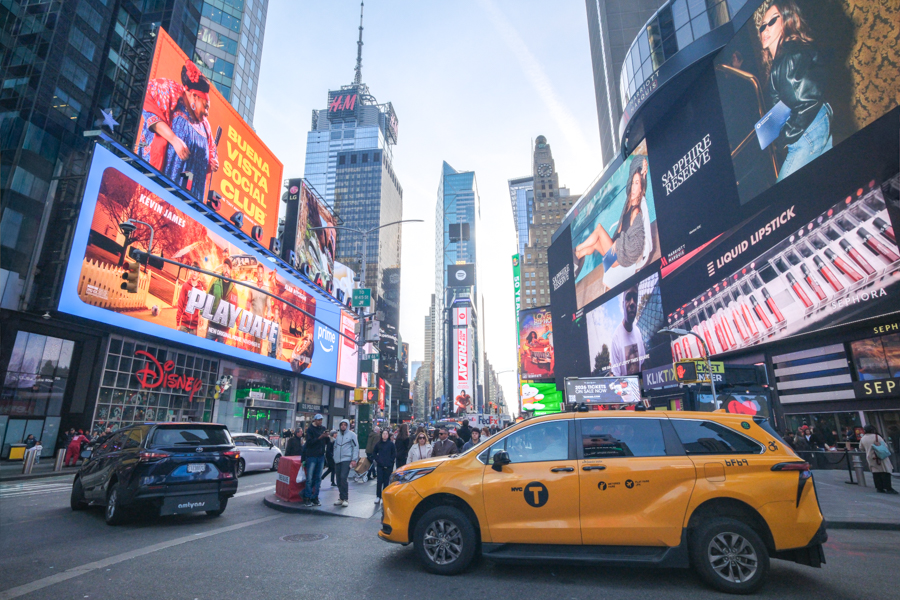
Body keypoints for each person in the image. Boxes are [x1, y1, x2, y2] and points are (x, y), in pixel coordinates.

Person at [755, 0, 831, 181]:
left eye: (772, 21)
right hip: (814, 125)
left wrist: (784, 137)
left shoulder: (788, 57)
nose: (765, 29)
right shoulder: (784, 56)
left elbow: (807, 102)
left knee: (783, 198)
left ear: (787, 20)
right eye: (762, 26)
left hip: (806, 132)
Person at [138, 60, 219, 201]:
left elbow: (212, 150)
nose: (207, 113)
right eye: (205, 106)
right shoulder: (171, 92)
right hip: (162, 190)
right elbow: (148, 101)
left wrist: (212, 161)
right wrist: (173, 139)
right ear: (194, 96)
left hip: (190, 199)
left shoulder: (205, 126)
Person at [573, 156, 649, 280]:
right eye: (633, 183)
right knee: (596, 244)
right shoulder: (628, 202)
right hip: (612, 258)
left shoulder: (636, 210)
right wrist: (642, 165)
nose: (634, 188)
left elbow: (636, 244)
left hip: (619, 258)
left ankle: (576, 250)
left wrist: (618, 243)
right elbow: (634, 174)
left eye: (637, 184)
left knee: (598, 230)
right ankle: (576, 263)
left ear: (641, 187)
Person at [610, 285, 645, 376]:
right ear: (622, 304)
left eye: (635, 298)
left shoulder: (637, 331)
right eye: (628, 298)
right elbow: (616, 377)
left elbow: (643, 364)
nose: (632, 303)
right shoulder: (615, 339)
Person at [205, 258, 236, 343]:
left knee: (219, 354)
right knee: (206, 349)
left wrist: (234, 325)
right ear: (222, 268)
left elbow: (235, 308)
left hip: (224, 328)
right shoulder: (215, 281)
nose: (226, 270)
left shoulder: (234, 289)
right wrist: (201, 314)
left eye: (228, 268)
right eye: (225, 267)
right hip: (212, 324)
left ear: (231, 270)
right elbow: (207, 296)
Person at [859, 425, 896, 494]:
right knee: (885, 471)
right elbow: (885, 446)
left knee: (876, 472)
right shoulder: (877, 437)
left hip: (870, 457)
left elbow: (861, 448)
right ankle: (888, 488)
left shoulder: (863, 438)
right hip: (880, 456)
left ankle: (879, 488)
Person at [302, 414, 329, 507]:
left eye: (321, 420)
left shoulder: (323, 428)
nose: (320, 422)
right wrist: (320, 437)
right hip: (312, 456)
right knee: (309, 478)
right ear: (315, 420)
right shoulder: (310, 429)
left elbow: (326, 443)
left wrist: (327, 437)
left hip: (320, 455)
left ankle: (315, 497)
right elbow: (309, 443)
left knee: (318, 478)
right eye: (319, 420)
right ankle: (307, 497)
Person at [332, 419, 358, 507]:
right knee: (338, 479)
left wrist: (354, 459)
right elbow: (335, 447)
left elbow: (355, 447)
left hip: (346, 459)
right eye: (342, 424)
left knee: (343, 477)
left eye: (345, 425)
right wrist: (334, 457)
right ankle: (341, 497)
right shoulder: (338, 436)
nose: (343, 426)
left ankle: (345, 498)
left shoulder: (352, 435)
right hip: (337, 460)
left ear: (347, 426)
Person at [176, 262, 204, 335]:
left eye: (196, 271)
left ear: (199, 274)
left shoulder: (200, 290)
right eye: (193, 270)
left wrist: (201, 319)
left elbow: (201, 308)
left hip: (194, 326)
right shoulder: (185, 286)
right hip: (184, 324)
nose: (194, 273)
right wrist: (178, 323)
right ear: (191, 271)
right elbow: (180, 304)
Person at [371, 429, 396, 505]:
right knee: (379, 481)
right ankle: (378, 496)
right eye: (383, 434)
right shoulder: (378, 444)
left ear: (388, 435)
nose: (385, 435)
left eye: (386, 434)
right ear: (381, 435)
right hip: (380, 465)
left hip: (388, 466)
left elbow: (394, 453)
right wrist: (378, 460)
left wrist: (391, 461)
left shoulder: (391, 444)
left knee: (386, 482)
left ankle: (384, 496)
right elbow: (374, 453)